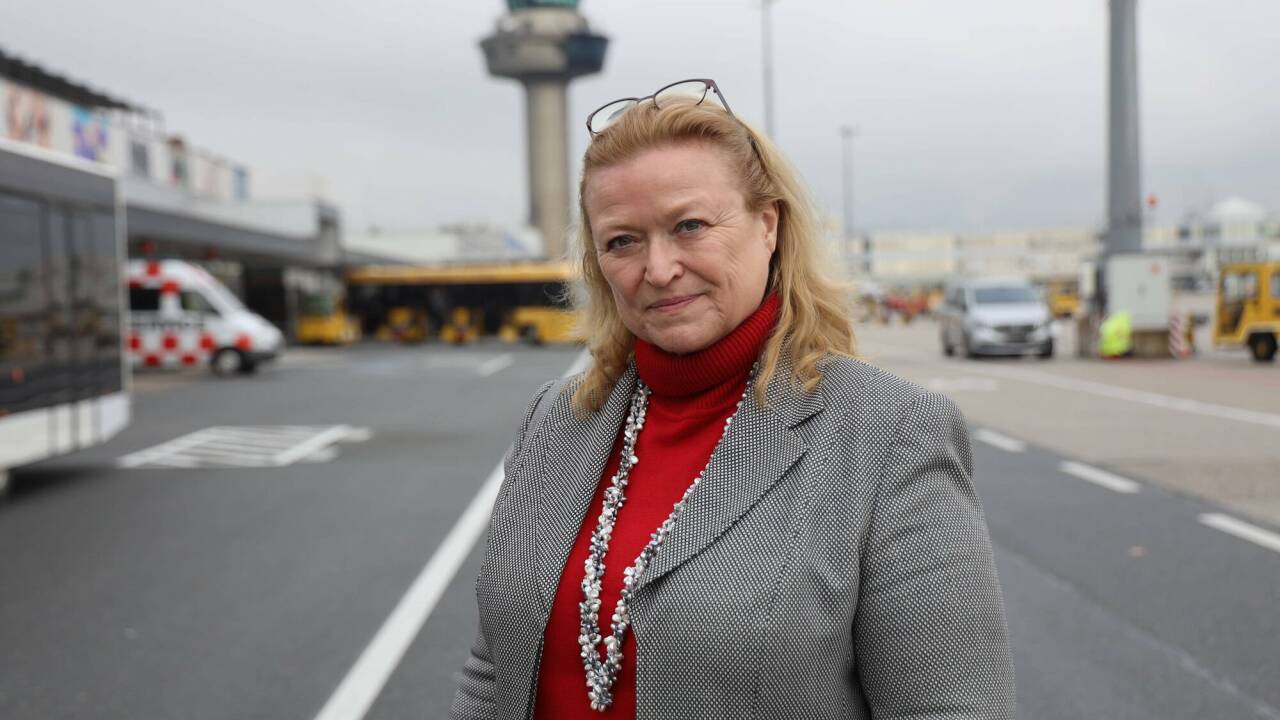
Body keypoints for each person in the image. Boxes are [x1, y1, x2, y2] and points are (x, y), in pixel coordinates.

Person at [450, 78, 1014, 719]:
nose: (658, 269)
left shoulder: (886, 434)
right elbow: (495, 670)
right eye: (622, 241)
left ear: (768, 225)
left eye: (689, 226)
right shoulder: (557, 419)